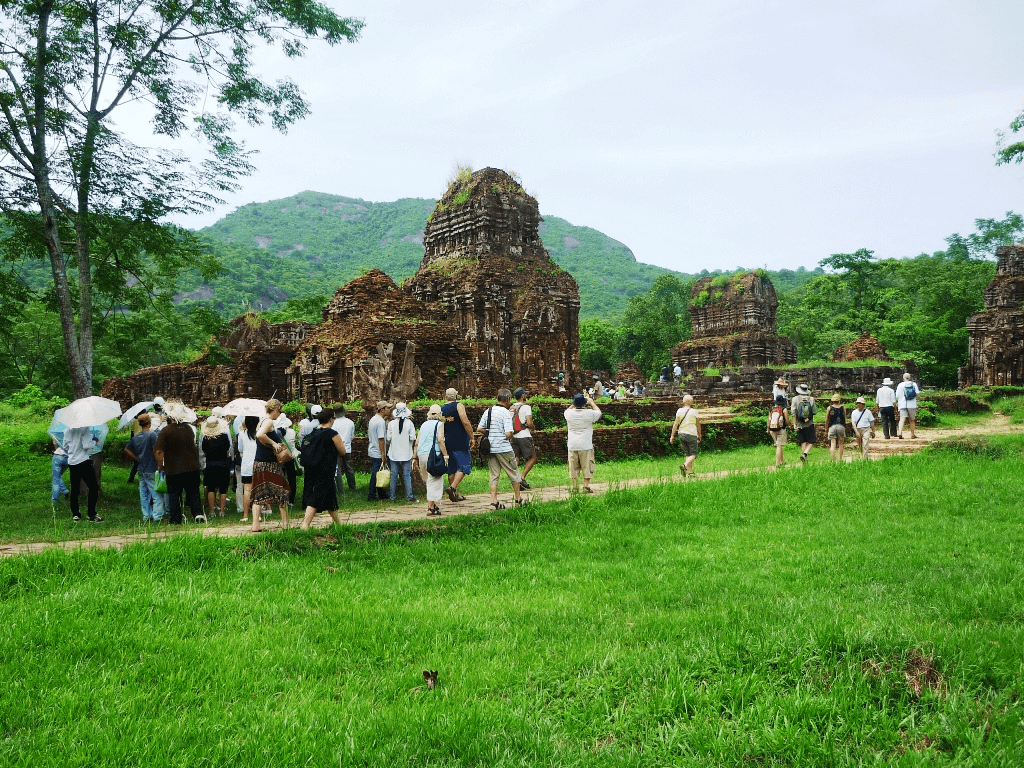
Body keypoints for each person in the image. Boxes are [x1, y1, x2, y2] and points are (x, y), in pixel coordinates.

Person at [153, 404, 203, 525]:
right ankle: (198, 514)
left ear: (169, 416)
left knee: (174, 494)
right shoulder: (188, 429)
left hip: (174, 468)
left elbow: (159, 451)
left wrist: (160, 465)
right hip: (192, 467)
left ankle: (176, 519)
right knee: (193, 492)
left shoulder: (166, 431)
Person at [299, 407, 346, 530]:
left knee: (329, 495)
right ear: (331, 419)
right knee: (318, 494)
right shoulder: (332, 434)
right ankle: (305, 524)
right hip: (325, 469)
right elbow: (342, 452)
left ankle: (338, 524)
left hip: (311, 468)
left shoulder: (313, 433)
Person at [477, 388, 524, 508]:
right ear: (508, 399)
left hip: (491, 448)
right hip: (503, 448)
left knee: (494, 475)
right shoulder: (505, 413)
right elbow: (508, 433)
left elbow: (479, 429)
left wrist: (491, 434)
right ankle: (518, 499)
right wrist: (509, 435)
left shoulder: (489, 410)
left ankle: (494, 501)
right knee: (513, 472)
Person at [251, 399, 291, 532]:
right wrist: (274, 444)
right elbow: (259, 435)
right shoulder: (268, 421)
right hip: (269, 463)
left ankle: (255, 524)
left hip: (259, 462)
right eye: (279, 411)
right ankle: (285, 523)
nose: (279, 414)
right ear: (274, 410)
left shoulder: (261, 421)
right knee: (282, 490)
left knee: (258, 493)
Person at [124, 413, 163, 522]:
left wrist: (136, 458)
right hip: (151, 466)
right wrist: (159, 463)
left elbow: (127, 449)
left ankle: (146, 515)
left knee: (144, 493)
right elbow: (156, 450)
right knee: (156, 494)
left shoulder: (136, 436)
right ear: (149, 423)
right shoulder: (152, 435)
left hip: (141, 468)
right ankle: (157, 516)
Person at [413, 404, 450, 516]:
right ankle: (430, 506)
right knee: (435, 479)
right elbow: (440, 440)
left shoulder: (424, 425)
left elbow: (417, 443)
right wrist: (445, 455)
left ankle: (432, 505)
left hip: (421, 454)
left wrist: (414, 457)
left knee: (428, 480)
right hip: (433, 455)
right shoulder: (440, 424)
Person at [564, 392, 602, 492]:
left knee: (574, 467)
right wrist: (592, 402)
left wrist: (574, 403)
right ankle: (585, 485)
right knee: (587, 466)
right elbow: (599, 413)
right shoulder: (589, 413)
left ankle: (575, 486)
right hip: (585, 444)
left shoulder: (568, 414)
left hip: (572, 444)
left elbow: (568, 409)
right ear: (584, 404)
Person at [64, 425, 103, 522]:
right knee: (93, 487)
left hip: (72, 462)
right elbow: (86, 445)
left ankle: (75, 514)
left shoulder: (67, 429)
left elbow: (65, 446)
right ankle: (92, 514)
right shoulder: (85, 428)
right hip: (83, 461)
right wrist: (94, 441)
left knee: (74, 488)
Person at [441, 388, 474, 502]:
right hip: (460, 440)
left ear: (445, 396)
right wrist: (472, 436)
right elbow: (465, 421)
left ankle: (454, 495)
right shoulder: (458, 406)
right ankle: (452, 488)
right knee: (464, 465)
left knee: (452, 468)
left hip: (448, 441)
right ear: (456, 396)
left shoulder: (442, 408)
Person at [199, 413, 231, 518]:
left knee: (211, 488)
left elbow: (203, 450)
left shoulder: (205, 438)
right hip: (223, 463)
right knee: (223, 489)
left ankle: (212, 511)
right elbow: (227, 449)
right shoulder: (224, 436)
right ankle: (222, 511)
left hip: (210, 464)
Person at [387, 402, 418, 503]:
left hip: (393, 453)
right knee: (407, 475)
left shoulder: (391, 424)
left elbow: (388, 438)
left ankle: (392, 497)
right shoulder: (409, 423)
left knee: (393, 475)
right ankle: (409, 496)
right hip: (406, 452)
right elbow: (413, 437)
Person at [510, 387, 538, 490]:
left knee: (516, 458)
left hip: (514, 436)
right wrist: (533, 428)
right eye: (525, 395)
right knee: (532, 457)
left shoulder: (511, 407)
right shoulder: (526, 407)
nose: (526, 396)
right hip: (524, 435)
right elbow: (529, 422)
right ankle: (522, 478)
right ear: (522, 396)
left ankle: (516, 479)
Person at [670, 394, 702, 477]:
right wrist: (700, 434)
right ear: (692, 402)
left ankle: (690, 472)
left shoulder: (679, 411)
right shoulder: (694, 412)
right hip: (691, 433)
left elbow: (675, 424)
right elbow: (698, 424)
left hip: (681, 434)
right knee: (694, 454)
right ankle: (684, 466)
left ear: (683, 402)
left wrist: (672, 435)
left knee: (688, 454)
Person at [366, 400, 391, 501]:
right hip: (377, 452)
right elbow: (381, 439)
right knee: (376, 474)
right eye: (387, 408)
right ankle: (371, 494)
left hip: (372, 449)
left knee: (378, 473)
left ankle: (381, 493)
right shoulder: (380, 422)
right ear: (382, 409)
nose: (389, 410)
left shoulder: (373, 419)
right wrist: (383, 455)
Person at [237, 415, 259, 523]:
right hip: (258, 464)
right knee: (258, 490)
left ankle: (245, 515)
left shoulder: (242, 434)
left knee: (247, 490)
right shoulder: (260, 434)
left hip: (246, 465)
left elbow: (240, 449)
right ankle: (257, 515)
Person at [790, 384, 817, 465]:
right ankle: (805, 454)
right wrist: (808, 417)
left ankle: (804, 460)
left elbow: (793, 412)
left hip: (800, 423)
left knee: (803, 441)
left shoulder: (795, 399)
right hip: (809, 423)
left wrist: (795, 424)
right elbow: (814, 411)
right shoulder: (811, 399)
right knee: (811, 441)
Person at [275, 413, 298, 505]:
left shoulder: (275, 433)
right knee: (292, 478)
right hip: (290, 457)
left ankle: (281, 499)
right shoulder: (292, 432)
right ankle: (291, 499)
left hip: (280, 458)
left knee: (280, 478)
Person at [333, 405, 357, 493]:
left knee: (337, 469)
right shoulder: (350, 422)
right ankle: (352, 486)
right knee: (349, 468)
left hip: (336, 449)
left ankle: (340, 489)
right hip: (347, 448)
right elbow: (352, 436)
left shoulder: (333, 423)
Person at [766, 394, 789, 468]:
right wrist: (791, 425)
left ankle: (782, 461)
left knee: (779, 446)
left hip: (772, 429)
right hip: (781, 429)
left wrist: (768, 429)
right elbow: (787, 420)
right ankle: (777, 464)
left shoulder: (771, 409)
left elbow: (769, 420)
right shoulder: (784, 409)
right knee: (779, 446)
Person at [896, 372, 920, 439]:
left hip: (902, 404)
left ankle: (900, 433)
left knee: (902, 419)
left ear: (903, 378)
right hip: (912, 404)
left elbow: (897, 395)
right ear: (910, 377)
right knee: (912, 420)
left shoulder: (900, 385)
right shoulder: (914, 384)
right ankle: (912, 435)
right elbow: (917, 393)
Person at [825, 393, 847, 462]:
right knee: (841, 444)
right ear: (839, 400)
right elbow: (844, 418)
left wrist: (826, 429)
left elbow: (827, 419)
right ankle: (840, 459)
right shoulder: (843, 408)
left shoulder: (829, 408)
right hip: (841, 426)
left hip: (832, 426)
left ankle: (833, 459)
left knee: (833, 444)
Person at [51, 438, 70, 509]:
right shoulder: (76, 435)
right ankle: (64, 490)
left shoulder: (60, 434)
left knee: (56, 478)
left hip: (58, 457)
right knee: (57, 476)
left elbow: (58, 448)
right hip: (68, 459)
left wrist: (55, 444)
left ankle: (55, 499)